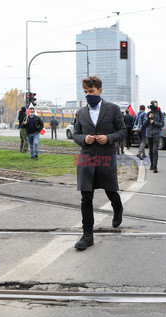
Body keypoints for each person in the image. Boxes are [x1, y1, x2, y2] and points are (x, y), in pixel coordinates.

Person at [72, 76, 127, 250]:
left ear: (100, 91)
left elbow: (123, 131)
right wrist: (83, 139)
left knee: (111, 191)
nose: (89, 95)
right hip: (87, 158)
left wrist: (108, 138)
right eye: (86, 92)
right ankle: (87, 236)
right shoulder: (80, 113)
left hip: (106, 157)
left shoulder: (113, 109)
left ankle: (118, 209)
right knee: (86, 198)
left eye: (92, 91)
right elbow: (75, 134)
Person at [142, 101, 164, 173]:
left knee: (155, 151)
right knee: (150, 151)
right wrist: (148, 118)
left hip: (156, 134)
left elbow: (162, 124)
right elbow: (144, 124)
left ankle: (155, 166)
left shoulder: (160, 113)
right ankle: (151, 164)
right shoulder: (148, 113)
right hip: (149, 134)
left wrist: (154, 122)